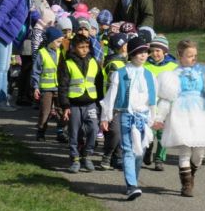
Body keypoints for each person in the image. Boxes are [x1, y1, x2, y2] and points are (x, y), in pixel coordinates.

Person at [153, 40, 205, 197]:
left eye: (195, 55)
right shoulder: (172, 76)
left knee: (199, 154)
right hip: (181, 115)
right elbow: (167, 99)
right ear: (180, 55)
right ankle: (186, 184)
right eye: (189, 56)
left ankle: (192, 173)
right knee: (185, 151)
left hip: (201, 114)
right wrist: (159, 117)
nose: (193, 59)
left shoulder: (204, 72)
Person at [100, 37, 157, 201]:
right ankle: (131, 185)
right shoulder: (120, 74)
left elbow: (153, 99)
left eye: (145, 52)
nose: (143, 55)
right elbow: (111, 96)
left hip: (144, 118)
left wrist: (154, 118)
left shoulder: (150, 75)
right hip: (126, 115)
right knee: (128, 150)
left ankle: (134, 182)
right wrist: (106, 116)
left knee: (140, 152)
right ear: (131, 54)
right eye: (139, 52)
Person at [58, 34, 104, 173]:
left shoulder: (94, 62)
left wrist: (101, 103)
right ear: (74, 48)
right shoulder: (68, 63)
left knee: (94, 130)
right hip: (74, 104)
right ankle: (75, 158)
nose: (85, 50)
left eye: (87, 47)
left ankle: (87, 155)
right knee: (74, 132)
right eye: (81, 47)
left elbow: (99, 83)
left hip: (91, 103)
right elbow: (63, 86)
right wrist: (65, 106)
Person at [143, 36, 178, 171]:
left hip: (165, 105)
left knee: (162, 134)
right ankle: (147, 149)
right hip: (148, 104)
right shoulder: (145, 65)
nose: (155, 53)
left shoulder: (173, 66)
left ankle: (159, 159)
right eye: (153, 50)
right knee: (148, 131)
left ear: (165, 52)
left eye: (158, 50)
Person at [32, 27, 66, 142]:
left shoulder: (61, 52)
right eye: (58, 41)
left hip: (59, 88)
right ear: (51, 41)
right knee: (45, 111)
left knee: (61, 111)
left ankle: (61, 132)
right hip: (46, 88)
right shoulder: (42, 53)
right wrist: (36, 87)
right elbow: (36, 71)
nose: (60, 44)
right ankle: (41, 131)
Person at [100, 32, 128, 171]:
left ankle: (117, 158)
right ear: (122, 47)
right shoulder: (114, 64)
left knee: (121, 131)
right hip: (114, 103)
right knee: (115, 131)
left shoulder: (123, 62)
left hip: (123, 103)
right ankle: (107, 156)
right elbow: (114, 86)